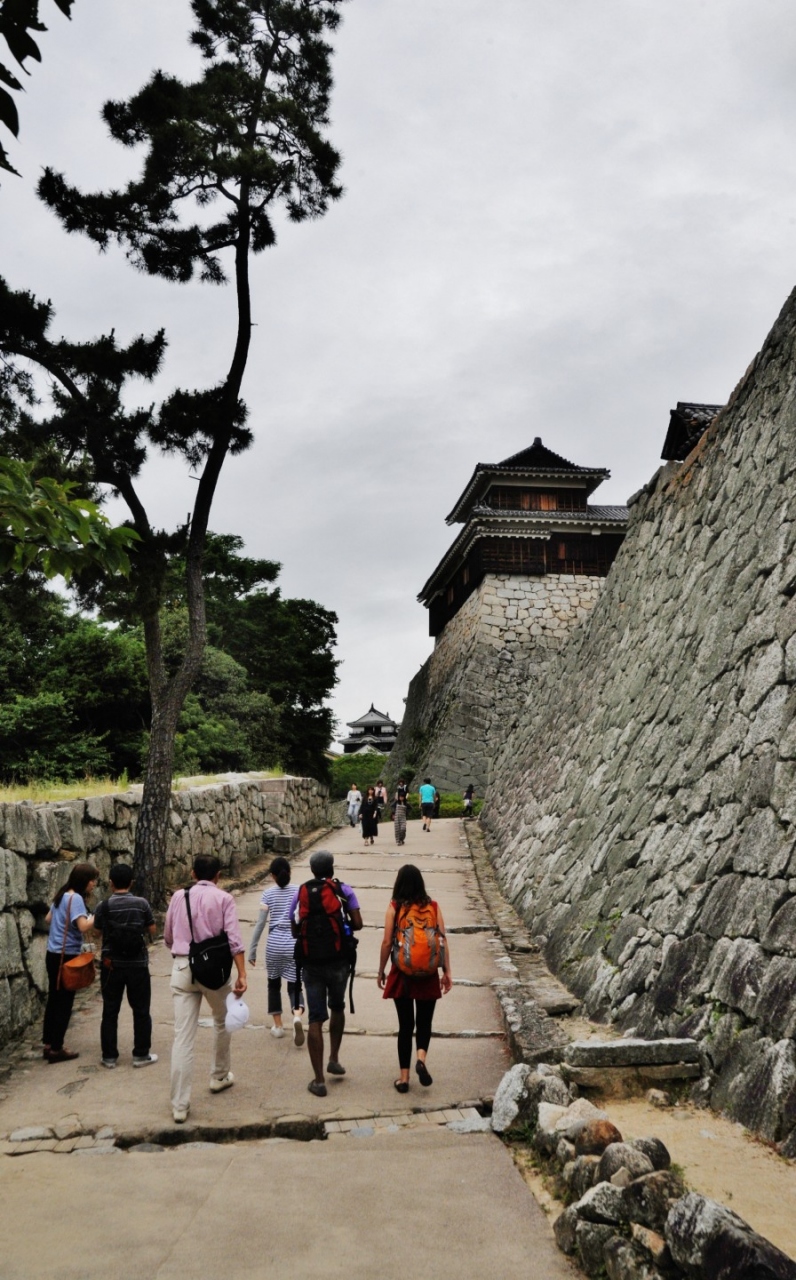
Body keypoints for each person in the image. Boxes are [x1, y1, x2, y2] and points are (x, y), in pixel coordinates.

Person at [163, 854, 247, 1124]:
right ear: (218, 876)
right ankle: (219, 1075)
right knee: (223, 1019)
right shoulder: (224, 899)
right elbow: (234, 940)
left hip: (182, 968)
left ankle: (179, 1105)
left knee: (183, 1037)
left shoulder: (178, 897)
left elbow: (168, 937)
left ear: (192, 873)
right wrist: (242, 973)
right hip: (214, 972)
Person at [290, 850, 362, 1097]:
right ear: (332, 868)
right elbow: (358, 923)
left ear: (312, 870)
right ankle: (333, 1058)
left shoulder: (301, 892)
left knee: (315, 1018)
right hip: (339, 961)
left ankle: (319, 1081)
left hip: (311, 963)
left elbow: (294, 928)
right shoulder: (343, 890)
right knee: (338, 1007)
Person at [377, 864, 452, 1092]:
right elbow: (442, 940)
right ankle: (421, 1059)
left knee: (405, 1025)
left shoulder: (394, 907)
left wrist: (381, 970)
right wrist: (447, 971)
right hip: (428, 973)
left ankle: (404, 1079)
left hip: (402, 973)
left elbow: (387, 942)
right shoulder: (433, 906)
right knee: (424, 1022)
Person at [93, 862, 158, 1069]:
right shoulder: (142, 904)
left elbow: (97, 932)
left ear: (111, 883)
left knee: (110, 1010)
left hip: (111, 965)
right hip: (138, 964)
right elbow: (152, 929)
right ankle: (141, 1054)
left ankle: (109, 1057)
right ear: (132, 882)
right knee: (141, 1010)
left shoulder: (103, 906)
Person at [42, 863, 98, 1063]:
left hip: (52, 953)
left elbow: (48, 919)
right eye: (92, 880)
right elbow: (83, 926)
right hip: (66, 956)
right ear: (84, 880)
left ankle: (48, 1044)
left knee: (54, 999)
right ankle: (57, 1048)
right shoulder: (76, 899)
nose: (93, 884)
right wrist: (96, 916)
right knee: (64, 1002)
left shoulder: (62, 895)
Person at [248, 856, 305, 1046]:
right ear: (290, 872)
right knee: (295, 985)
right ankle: (297, 1015)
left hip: (274, 945)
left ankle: (278, 1026)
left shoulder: (267, 894)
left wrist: (252, 950)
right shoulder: (299, 891)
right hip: (294, 944)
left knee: (273, 985)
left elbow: (260, 924)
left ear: (272, 876)